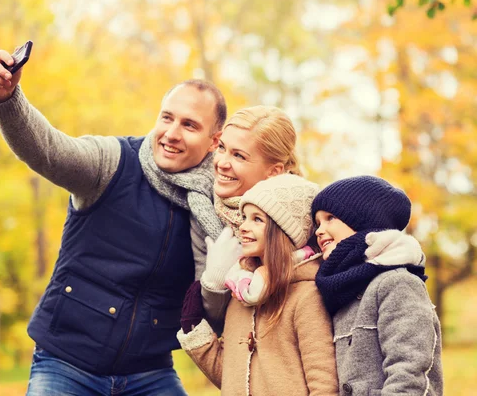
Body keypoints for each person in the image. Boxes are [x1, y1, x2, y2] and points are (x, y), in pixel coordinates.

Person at [0, 49, 228, 395]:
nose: (171, 133)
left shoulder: (218, 203)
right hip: (66, 363)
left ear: (215, 141)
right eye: (167, 118)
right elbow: (47, 149)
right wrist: (6, 99)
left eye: (189, 125)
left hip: (149, 371)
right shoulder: (113, 162)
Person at [177, 174, 340, 395]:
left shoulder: (306, 295)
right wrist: (196, 332)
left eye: (257, 219)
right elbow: (231, 378)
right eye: (244, 217)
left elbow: (324, 385)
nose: (243, 226)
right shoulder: (240, 294)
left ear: (283, 231)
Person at [312, 175, 443, 395]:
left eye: (330, 217)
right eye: (317, 223)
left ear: (363, 220)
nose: (318, 230)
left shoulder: (397, 283)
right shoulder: (343, 289)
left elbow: (409, 372)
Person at [197, 106, 304, 325]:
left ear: (274, 171)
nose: (221, 163)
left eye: (239, 156)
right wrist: (214, 283)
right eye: (222, 148)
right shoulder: (203, 208)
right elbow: (212, 322)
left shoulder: (299, 219)